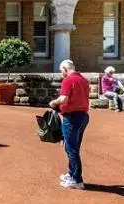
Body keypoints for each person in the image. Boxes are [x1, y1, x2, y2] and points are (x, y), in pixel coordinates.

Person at [49, 59, 89, 190]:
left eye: (61, 70)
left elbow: (64, 98)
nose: (61, 73)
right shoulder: (83, 80)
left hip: (72, 117)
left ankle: (76, 179)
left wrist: (53, 102)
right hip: (83, 116)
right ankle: (72, 174)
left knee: (71, 148)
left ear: (65, 69)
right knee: (73, 147)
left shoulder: (68, 80)